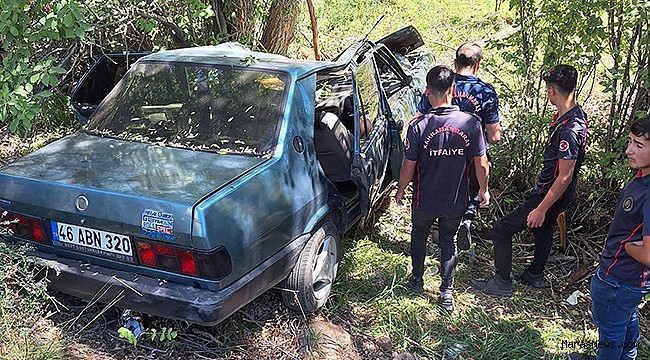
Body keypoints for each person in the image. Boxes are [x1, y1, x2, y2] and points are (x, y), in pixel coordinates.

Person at [471, 65, 587, 296]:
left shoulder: (570, 130)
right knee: (544, 228)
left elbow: (564, 176)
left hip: (551, 193)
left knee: (502, 229)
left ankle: (502, 281)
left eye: (547, 89)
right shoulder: (574, 115)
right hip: (554, 189)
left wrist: (542, 207)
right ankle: (534, 274)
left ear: (553, 91)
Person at [394, 65, 490, 312]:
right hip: (455, 199)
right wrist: (483, 189)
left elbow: (408, 165)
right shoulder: (470, 124)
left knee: (419, 234)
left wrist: (401, 189)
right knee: (448, 239)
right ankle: (446, 293)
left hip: (424, 199)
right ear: (454, 90)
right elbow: (482, 163)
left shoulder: (419, 126)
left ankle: (416, 281)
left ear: (427, 92)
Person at [569, 116, 650, 360]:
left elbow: (647, 254)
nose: (629, 150)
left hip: (620, 279)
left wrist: (626, 246)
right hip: (626, 282)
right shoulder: (641, 177)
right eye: (630, 142)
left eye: (639, 145)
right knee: (625, 320)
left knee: (610, 335)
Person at [416, 42, 502, 250]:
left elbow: (419, 118)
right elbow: (494, 136)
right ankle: (465, 221)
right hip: (471, 154)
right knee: (471, 188)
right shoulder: (485, 92)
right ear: (478, 65)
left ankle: (439, 228)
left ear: (455, 62)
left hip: (438, 150)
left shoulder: (441, 83)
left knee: (440, 187)